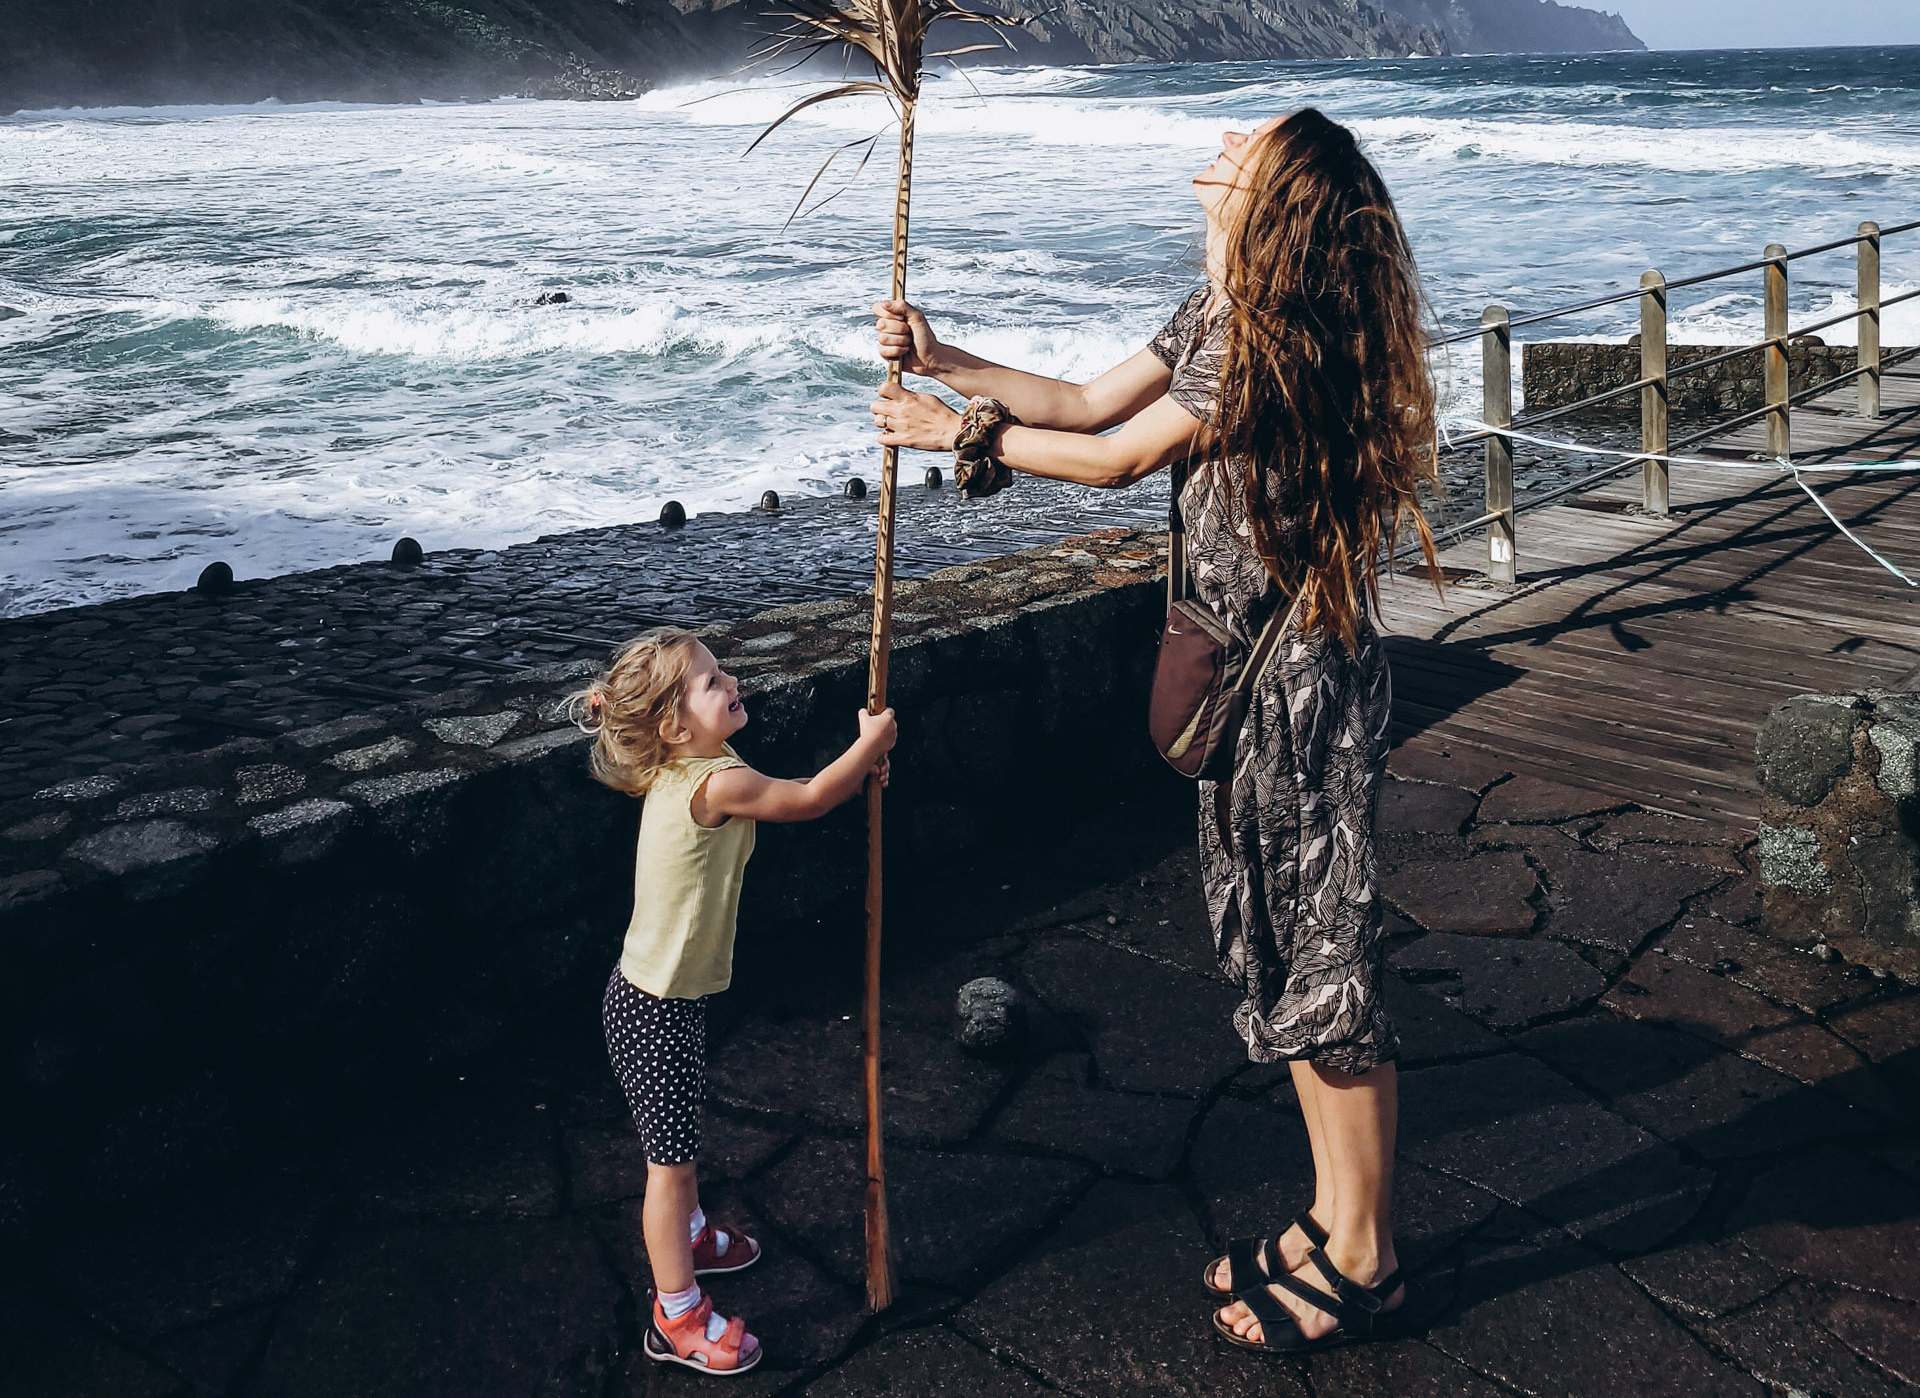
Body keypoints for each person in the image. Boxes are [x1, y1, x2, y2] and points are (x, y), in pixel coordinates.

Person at [871, 105, 1438, 1358]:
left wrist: (956, 435)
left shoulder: (1262, 338)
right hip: (1250, 675)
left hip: (1296, 686)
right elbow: (1079, 399)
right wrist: (952, 357)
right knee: (1293, 965)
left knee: (1326, 970)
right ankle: (1336, 1215)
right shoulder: (1214, 312)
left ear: (1277, 194)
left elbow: (1120, 460)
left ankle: (1368, 1255)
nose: (1222, 144)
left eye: (1249, 143)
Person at [573, 630, 897, 1375]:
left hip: (653, 997)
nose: (732, 680)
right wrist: (870, 739)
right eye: (712, 680)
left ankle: (687, 1241)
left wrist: (858, 767)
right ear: (676, 726)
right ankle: (675, 1315)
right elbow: (811, 797)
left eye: (724, 669)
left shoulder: (693, 764)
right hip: (653, 1006)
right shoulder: (715, 783)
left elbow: (806, 790)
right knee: (669, 1163)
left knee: (679, 1151)